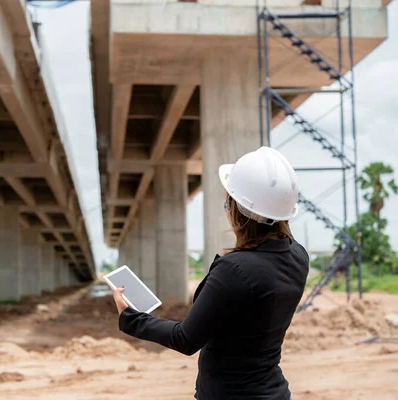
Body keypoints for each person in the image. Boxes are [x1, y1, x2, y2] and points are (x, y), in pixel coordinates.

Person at [109, 146, 309, 400]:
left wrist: (130, 317)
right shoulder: (299, 257)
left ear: (238, 213)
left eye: (229, 201)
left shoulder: (235, 270)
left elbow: (185, 339)